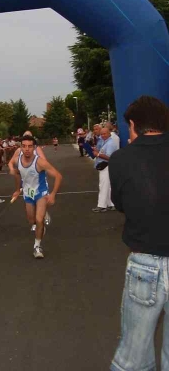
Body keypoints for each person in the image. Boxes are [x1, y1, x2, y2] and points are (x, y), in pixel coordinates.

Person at [108, 96, 169, 371]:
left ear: (133, 124)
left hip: (146, 262)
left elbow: (122, 204)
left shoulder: (121, 159)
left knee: (134, 355)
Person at [10, 135, 62, 258]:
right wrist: (17, 190)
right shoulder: (17, 160)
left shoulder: (40, 162)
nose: (27, 149)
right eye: (24, 146)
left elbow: (58, 176)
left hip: (41, 193)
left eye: (30, 146)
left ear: (34, 147)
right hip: (28, 193)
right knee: (32, 221)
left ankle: (37, 246)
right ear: (20, 147)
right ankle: (42, 217)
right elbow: (17, 173)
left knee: (38, 220)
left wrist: (53, 194)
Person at [92, 128, 117, 213]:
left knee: (103, 186)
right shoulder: (106, 142)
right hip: (105, 166)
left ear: (109, 133)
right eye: (101, 134)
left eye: (104, 134)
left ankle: (102, 206)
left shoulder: (110, 143)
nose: (102, 135)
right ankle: (111, 204)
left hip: (106, 166)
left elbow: (109, 157)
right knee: (107, 186)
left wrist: (98, 154)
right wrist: (97, 152)